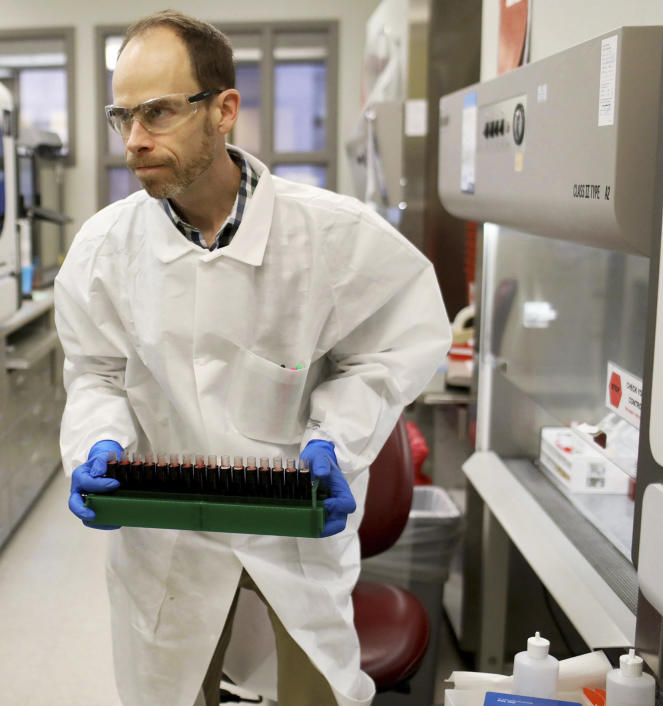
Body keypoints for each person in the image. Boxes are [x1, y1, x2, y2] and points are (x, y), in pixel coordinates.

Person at [55, 10, 451, 706]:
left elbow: (392, 349)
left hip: (289, 538)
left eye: (158, 112)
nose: (135, 141)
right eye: (123, 117)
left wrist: (336, 437)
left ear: (224, 110)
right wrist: (98, 442)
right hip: (167, 543)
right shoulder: (102, 248)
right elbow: (96, 372)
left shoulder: (334, 235)